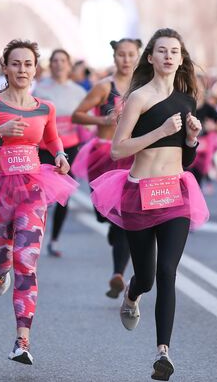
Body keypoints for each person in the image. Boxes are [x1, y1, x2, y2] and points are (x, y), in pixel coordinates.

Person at [90, 28, 209, 380]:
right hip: (140, 193)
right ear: (152, 58)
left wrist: (192, 139)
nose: (169, 56)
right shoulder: (138, 99)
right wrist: (158, 132)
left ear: (181, 58)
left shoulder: (188, 99)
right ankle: (131, 294)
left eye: (175, 51)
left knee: (167, 271)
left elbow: (185, 160)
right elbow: (117, 149)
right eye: (162, 50)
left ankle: (163, 353)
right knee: (145, 277)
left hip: (175, 192)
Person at [0, 39, 78, 365]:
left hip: (32, 188)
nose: (22, 69)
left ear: (36, 69)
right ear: (5, 68)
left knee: (26, 261)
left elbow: (50, 137)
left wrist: (61, 154)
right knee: (1, 258)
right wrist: (0, 131)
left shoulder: (45, 107)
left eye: (28, 64)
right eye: (16, 63)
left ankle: (22, 340)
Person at [72, 38, 142, 296]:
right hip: (103, 154)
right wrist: (102, 118)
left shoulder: (143, 88)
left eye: (131, 55)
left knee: (123, 217)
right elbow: (77, 114)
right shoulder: (104, 87)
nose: (126, 59)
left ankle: (117, 274)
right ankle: (111, 228)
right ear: (115, 57)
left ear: (138, 56)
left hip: (131, 155)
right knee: (105, 214)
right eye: (121, 55)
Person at [32, 49, 86, 257]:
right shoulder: (40, 88)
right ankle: (34, 235)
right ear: (50, 64)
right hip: (45, 147)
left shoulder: (78, 91)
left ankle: (54, 240)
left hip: (69, 147)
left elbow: (84, 118)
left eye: (63, 60)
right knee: (40, 195)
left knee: (64, 195)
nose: (59, 64)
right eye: (55, 60)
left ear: (69, 64)